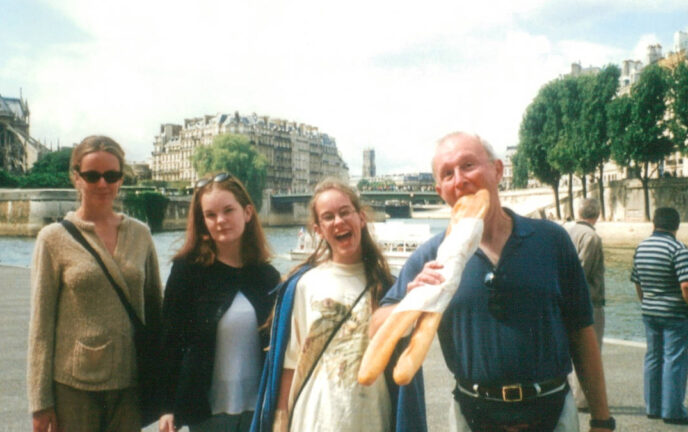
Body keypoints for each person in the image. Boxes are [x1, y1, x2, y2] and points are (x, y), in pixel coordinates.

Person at [372, 132, 614, 432]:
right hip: (473, 414)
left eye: (469, 165)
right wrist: (411, 300)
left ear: (497, 170)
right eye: (448, 174)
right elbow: (375, 328)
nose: (459, 180)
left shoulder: (552, 240)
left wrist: (602, 419)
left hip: (551, 411)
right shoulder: (431, 256)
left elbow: (581, 332)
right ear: (440, 191)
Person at [251, 179, 427, 432]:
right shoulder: (303, 286)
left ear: (361, 218)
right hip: (314, 421)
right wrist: (280, 421)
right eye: (328, 217)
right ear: (318, 230)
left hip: (371, 421)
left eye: (345, 212)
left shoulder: (391, 288)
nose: (338, 221)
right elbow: (289, 363)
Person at [28, 135, 163, 432]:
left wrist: (167, 396)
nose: (103, 184)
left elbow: (156, 313)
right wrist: (40, 402)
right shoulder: (53, 239)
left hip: (130, 384)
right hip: (73, 387)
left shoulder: (141, 234)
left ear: (121, 179)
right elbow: (41, 327)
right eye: (92, 176)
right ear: (76, 178)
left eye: (112, 175)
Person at [158, 172, 280, 432]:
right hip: (206, 413)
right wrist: (167, 407)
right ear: (203, 222)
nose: (220, 220)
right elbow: (169, 342)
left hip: (259, 411)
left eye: (228, 210)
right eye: (211, 215)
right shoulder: (187, 273)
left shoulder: (267, 276)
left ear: (247, 213)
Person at [631, 207, 688, 424]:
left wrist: (646, 301)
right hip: (674, 313)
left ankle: (653, 407)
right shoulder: (678, 248)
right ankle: (672, 410)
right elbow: (685, 286)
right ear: (676, 226)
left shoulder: (641, 247)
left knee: (653, 358)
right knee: (674, 359)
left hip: (650, 311)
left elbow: (637, 281)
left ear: (654, 224)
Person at [566, 198, 606, 411]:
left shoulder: (567, 232)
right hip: (589, 301)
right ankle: (582, 400)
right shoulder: (591, 237)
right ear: (597, 214)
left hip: (566, 300)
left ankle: (572, 395)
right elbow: (583, 271)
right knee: (590, 351)